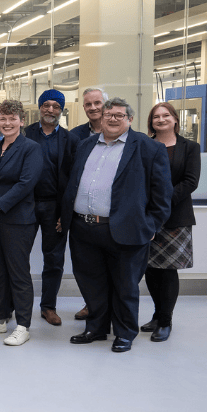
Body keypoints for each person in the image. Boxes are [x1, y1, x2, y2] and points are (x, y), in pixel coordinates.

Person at [63, 98, 172, 353]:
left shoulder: (148, 148)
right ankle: (96, 328)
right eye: (108, 114)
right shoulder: (85, 144)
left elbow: (162, 194)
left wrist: (151, 225)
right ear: (101, 118)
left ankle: (124, 333)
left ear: (130, 120)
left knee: (125, 286)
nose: (112, 119)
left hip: (126, 230)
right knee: (92, 283)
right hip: (84, 228)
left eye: (119, 115)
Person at [0, 99, 42, 346]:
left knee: (18, 273)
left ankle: (23, 325)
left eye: (12, 118)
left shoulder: (31, 148)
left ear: (22, 121)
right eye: (3, 118)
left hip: (16, 220)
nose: (7, 123)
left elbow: (25, 184)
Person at [140, 102, 200, 342]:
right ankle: (157, 314)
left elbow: (190, 181)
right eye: (156, 116)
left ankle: (166, 321)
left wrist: (161, 201)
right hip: (147, 217)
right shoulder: (144, 145)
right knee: (151, 269)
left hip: (175, 217)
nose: (161, 119)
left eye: (166, 115)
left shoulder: (190, 147)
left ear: (175, 119)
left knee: (168, 271)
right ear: (151, 121)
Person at [24, 89, 79, 326]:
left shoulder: (70, 140)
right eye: (46, 105)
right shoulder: (24, 134)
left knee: (54, 259)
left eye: (56, 106)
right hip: (24, 205)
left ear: (61, 110)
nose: (50, 110)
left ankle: (48, 306)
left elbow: (74, 178)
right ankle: (17, 305)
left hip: (54, 208)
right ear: (39, 107)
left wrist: (65, 213)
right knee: (17, 257)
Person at [68, 86, 108, 321]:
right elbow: (70, 174)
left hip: (110, 215)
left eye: (97, 103)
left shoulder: (124, 133)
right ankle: (91, 304)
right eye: (88, 104)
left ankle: (108, 309)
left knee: (110, 266)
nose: (93, 108)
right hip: (82, 214)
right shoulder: (75, 136)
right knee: (84, 266)